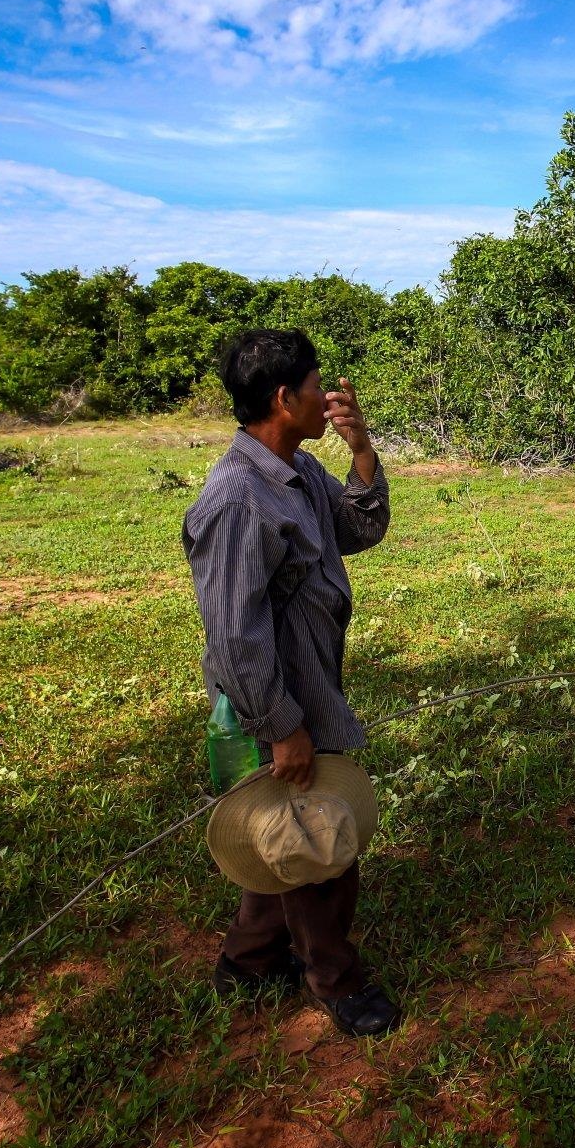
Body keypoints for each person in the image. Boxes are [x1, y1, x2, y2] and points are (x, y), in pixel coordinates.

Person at [181, 327, 401, 1038]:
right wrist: (283, 725)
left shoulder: (299, 470)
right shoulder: (239, 500)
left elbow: (359, 530)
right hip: (272, 703)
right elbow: (235, 637)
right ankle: (337, 981)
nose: (326, 396)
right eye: (316, 386)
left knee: (279, 831)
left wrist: (361, 450)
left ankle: (246, 964)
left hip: (306, 688)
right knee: (317, 843)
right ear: (284, 398)